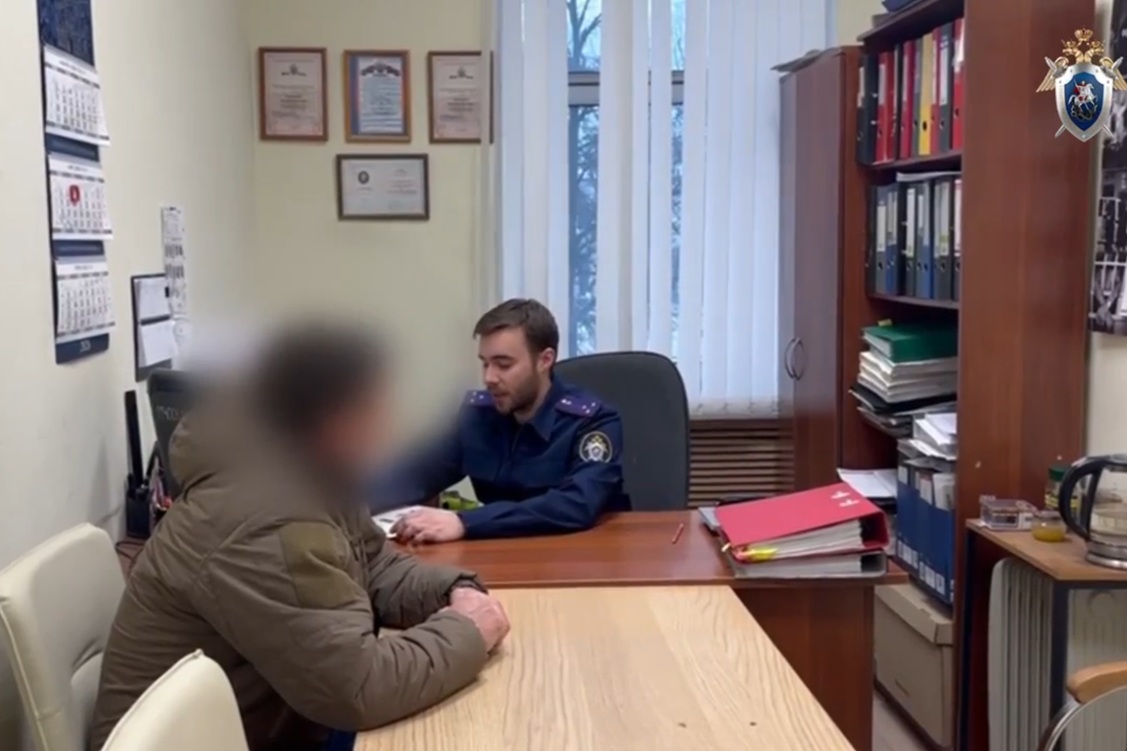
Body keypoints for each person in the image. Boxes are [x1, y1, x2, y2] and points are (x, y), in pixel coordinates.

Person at [89, 323, 510, 751]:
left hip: (269, 723)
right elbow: (357, 686)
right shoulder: (264, 516)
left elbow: (374, 564)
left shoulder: (313, 471)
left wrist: (454, 590)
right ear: (331, 416)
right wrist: (469, 632)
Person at [379, 299, 629, 544]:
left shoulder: (592, 422)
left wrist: (465, 522)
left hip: (578, 555)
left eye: (503, 365)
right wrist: (357, 503)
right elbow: (416, 476)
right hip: (498, 553)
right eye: (485, 364)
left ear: (545, 360)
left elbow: (577, 504)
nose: (489, 378)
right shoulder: (477, 417)